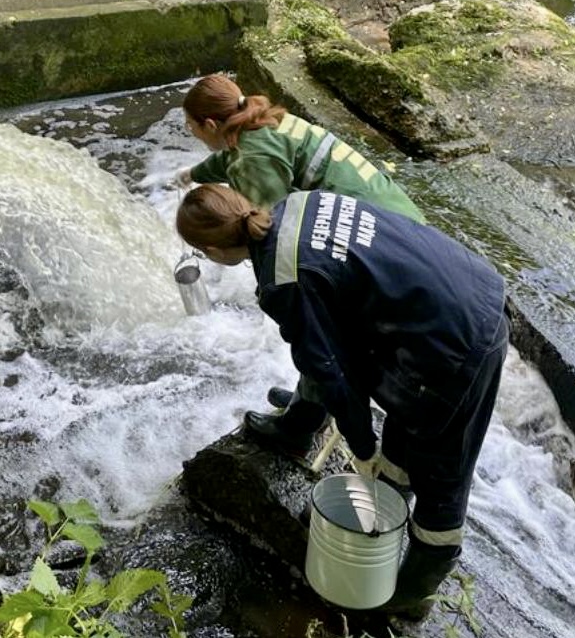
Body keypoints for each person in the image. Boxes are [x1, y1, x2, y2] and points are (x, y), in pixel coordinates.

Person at [176, 184, 509, 619]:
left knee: (441, 474)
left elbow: (332, 371)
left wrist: (361, 445)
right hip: (464, 290)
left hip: (458, 344)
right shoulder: (296, 205)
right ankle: (360, 495)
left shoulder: (285, 279)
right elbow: (324, 342)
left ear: (213, 249)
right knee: (403, 435)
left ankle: (409, 597)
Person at [174, 74, 428, 454]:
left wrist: (274, 290)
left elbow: (276, 239)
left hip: (379, 247)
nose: (191, 133)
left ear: (210, 125)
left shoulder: (253, 160)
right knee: (323, 322)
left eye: (190, 128)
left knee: (318, 321)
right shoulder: (260, 121)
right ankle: (308, 402)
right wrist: (194, 175)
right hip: (402, 225)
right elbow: (232, 157)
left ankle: (300, 425)